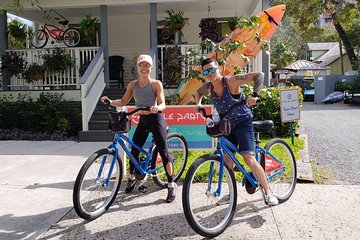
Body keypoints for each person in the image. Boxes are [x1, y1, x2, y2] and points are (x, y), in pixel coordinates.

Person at [194, 58, 279, 206]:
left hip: (243, 122)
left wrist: (255, 95)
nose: (210, 73)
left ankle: (268, 192)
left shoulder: (231, 81)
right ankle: (232, 192)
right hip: (227, 125)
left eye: (212, 69)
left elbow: (259, 75)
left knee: (248, 159)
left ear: (218, 69)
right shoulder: (208, 87)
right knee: (227, 160)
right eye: (206, 71)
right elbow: (198, 92)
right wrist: (198, 104)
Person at [100, 54, 176, 203]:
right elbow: (123, 101)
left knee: (164, 152)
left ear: (151, 68)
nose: (144, 68)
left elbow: (163, 104)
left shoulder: (155, 84)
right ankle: (133, 177)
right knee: (134, 150)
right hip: (143, 120)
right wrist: (110, 101)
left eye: (147, 65)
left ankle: (171, 184)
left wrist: (157, 107)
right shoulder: (132, 85)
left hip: (156, 119)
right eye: (141, 65)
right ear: (137, 67)